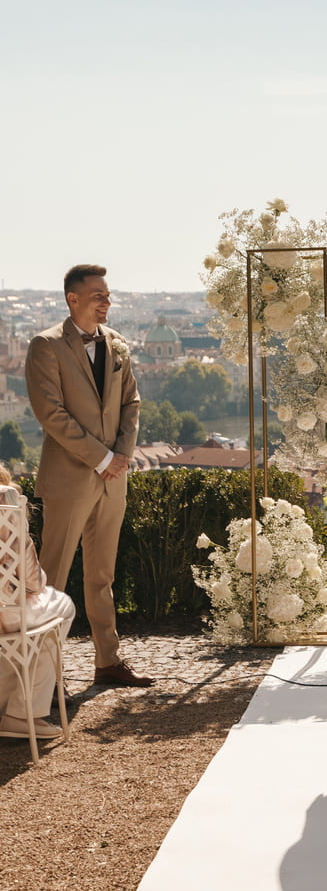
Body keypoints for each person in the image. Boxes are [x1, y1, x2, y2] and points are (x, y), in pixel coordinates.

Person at [24, 264, 151, 689]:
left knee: (102, 576)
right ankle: (42, 673)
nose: (106, 301)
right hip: (69, 479)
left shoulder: (118, 345)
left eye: (108, 294)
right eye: (97, 294)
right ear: (72, 298)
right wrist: (102, 458)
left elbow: (131, 403)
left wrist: (123, 456)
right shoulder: (45, 346)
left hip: (113, 480)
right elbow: (51, 415)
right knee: (51, 578)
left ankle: (107, 661)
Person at [0, 463, 76, 741]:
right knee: (61, 608)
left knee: (19, 635)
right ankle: (23, 714)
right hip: (6, 610)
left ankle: (10, 706)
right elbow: (33, 581)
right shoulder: (6, 499)